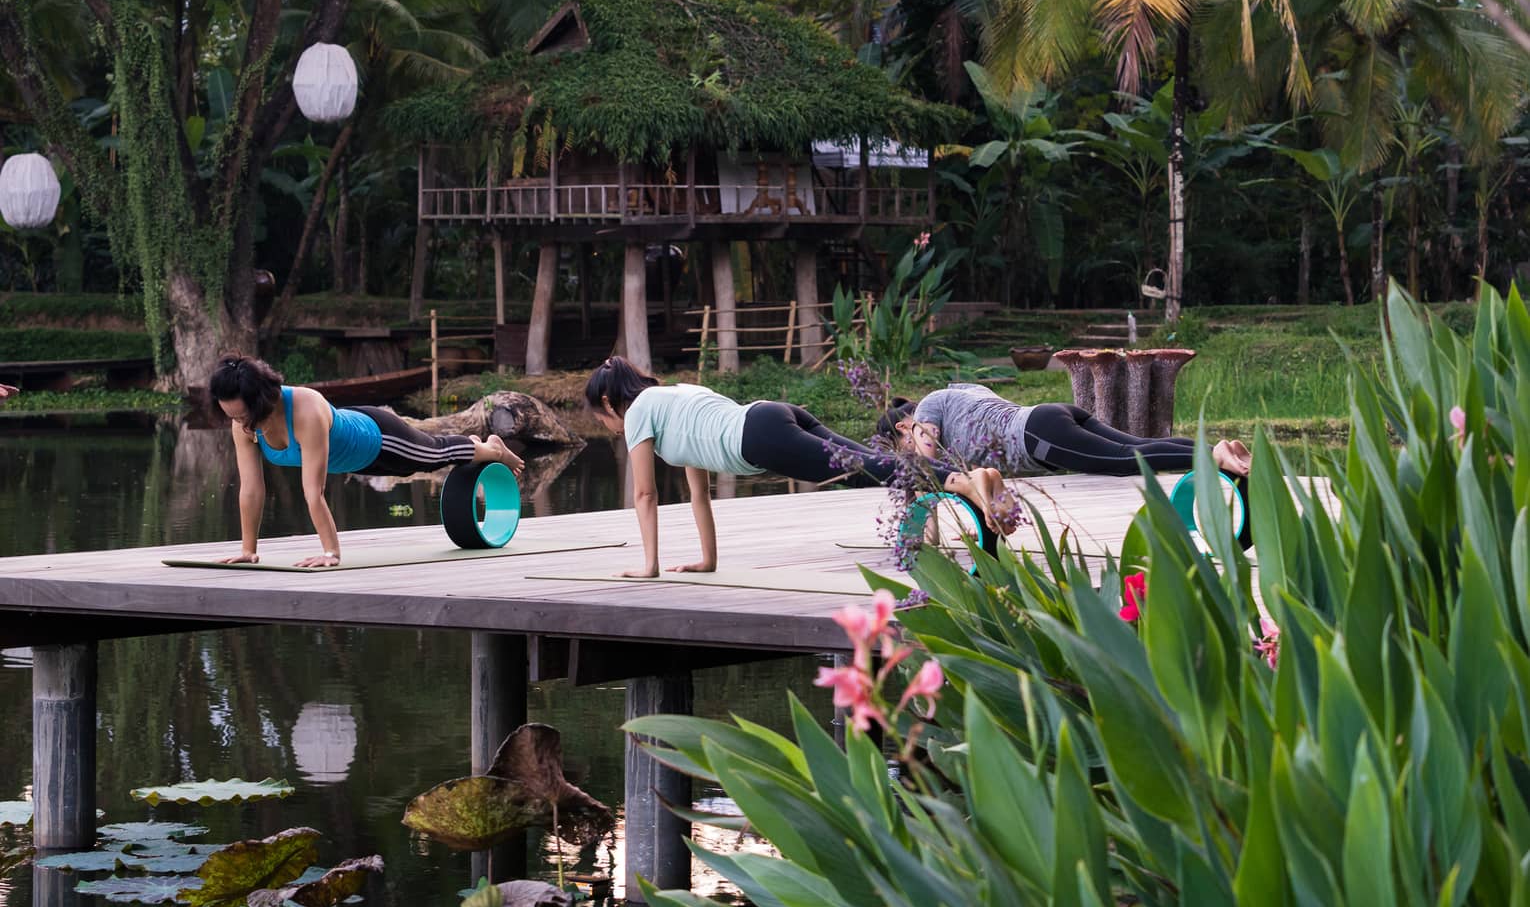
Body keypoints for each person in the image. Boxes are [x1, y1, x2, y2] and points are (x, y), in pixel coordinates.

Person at [584, 357, 1011, 579]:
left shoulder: (638, 411)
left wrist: (648, 567)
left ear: (608, 403)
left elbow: (644, 495)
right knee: (869, 465)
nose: (608, 427)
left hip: (759, 437)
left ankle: (962, 481)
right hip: (770, 413)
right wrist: (706, 561)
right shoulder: (675, 395)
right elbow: (700, 491)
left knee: (868, 468)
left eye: (601, 419)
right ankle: (972, 478)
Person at [210, 353, 523, 568]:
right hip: (357, 463)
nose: (240, 423)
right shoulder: (244, 426)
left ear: (262, 401)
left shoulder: (304, 410)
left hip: (379, 438)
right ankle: (477, 447)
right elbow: (251, 490)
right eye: (232, 416)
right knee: (412, 468)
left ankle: (492, 450)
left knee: (433, 456)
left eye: (242, 414)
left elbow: (313, 492)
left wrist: (331, 552)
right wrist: (248, 551)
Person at [876, 382, 1252, 479]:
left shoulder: (926, 409)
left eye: (901, 445)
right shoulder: (957, 390)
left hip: (1037, 435)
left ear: (903, 426)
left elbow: (925, 464)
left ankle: (1212, 456)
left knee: (1125, 460)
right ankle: (1220, 449)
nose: (907, 450)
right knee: (1139, 444)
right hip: (1049, 415)